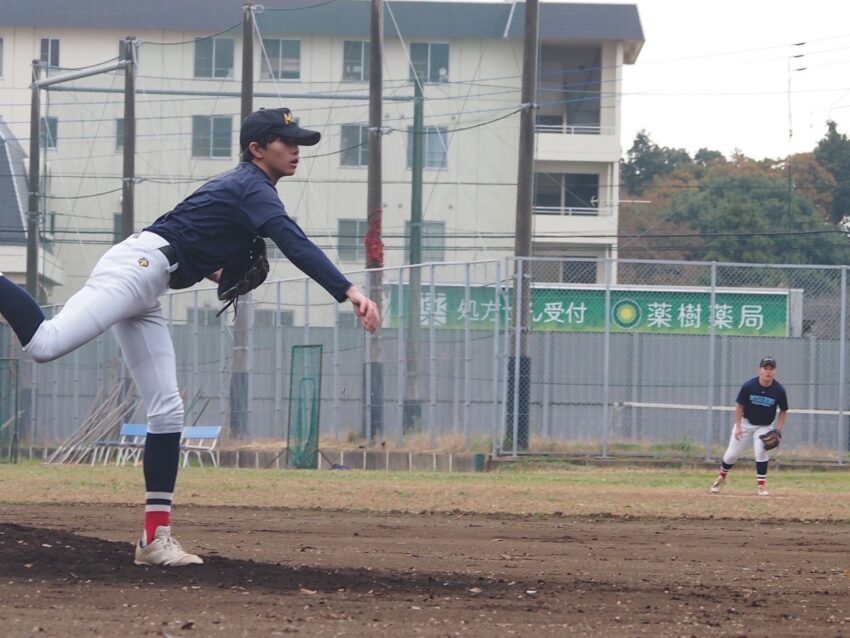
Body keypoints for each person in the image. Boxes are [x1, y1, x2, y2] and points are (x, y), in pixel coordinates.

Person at [0, 107, 380, 566]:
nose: (296, 149)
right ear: (257, 149)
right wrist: (348, 290)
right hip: (137, 270)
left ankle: (154, 539)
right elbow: (293, 241)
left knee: (167, 411)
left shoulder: (243, 188)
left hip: (150, 277)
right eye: (286, 141)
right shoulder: (253, 187)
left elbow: (186, 232)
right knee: (45, 343)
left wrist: (212, 268)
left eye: (298, 141)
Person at [710, 356, 788, 496]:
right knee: (731, 455)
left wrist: (779, 430)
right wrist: (738, 426)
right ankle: (721, 477)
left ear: (775, 371)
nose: (768, 371)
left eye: (771, 369)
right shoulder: (749, 386)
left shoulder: (779, 390)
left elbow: (783, 410)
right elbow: (740, 406)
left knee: (760, 452)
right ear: (759, 370)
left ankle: (761, 487)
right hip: (745, 423)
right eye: (765, 368)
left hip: (764, 426)